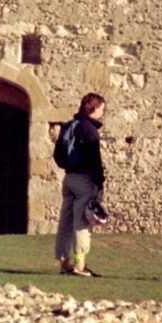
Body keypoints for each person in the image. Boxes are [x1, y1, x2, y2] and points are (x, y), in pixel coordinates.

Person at [54, 92, 106, 278]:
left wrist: (68, 167)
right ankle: (80, 264)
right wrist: (99, 183)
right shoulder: (89, 129)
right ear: (94, 108)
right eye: (101, 109)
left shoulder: (69, 125)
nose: (102, 112)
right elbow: (95, 159)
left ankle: (64, 261)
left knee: (65, 221)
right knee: (82, 222)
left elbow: (58, 155)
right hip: (85, 179)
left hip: (68, 178)